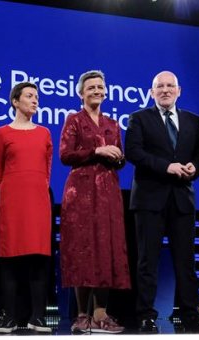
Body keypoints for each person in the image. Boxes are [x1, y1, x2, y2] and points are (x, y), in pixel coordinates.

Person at [125, 71, 199, 334]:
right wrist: (168, 167)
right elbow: (134, 152)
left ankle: (191, 316)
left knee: (186, 262)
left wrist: (193, 167)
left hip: (182, 200)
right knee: (147, 262)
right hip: (149, 200)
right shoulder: (139, 118)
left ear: (179, 91)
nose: (165, 90)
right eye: (159, 87)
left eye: (170, 86)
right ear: (152, 93)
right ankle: (145, 316)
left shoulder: (193, 121)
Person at [59, 70, 130, 334]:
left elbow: (121, 159)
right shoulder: (73, 120)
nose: (97, 91)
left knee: (106, 248)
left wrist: (117, 158)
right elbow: (65, 155)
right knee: (81, 249)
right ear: (81, 93)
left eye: (100, 87)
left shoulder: (113, 124)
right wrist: (96, 151)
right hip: (80, 192)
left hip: (108, 192)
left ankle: (101, 314)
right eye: (91, 88)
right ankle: (81, 315)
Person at [0, 82, 53, 334]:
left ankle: (37, 317)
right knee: (10, 259)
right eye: (29, 96)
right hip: (12, 202)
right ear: (15, 101)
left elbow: (47, 169)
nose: (35, 100)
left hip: (38, 201)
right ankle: (9, 317)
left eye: (36, 96)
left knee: (38, 259)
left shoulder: (44, 133)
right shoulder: (2, 133)